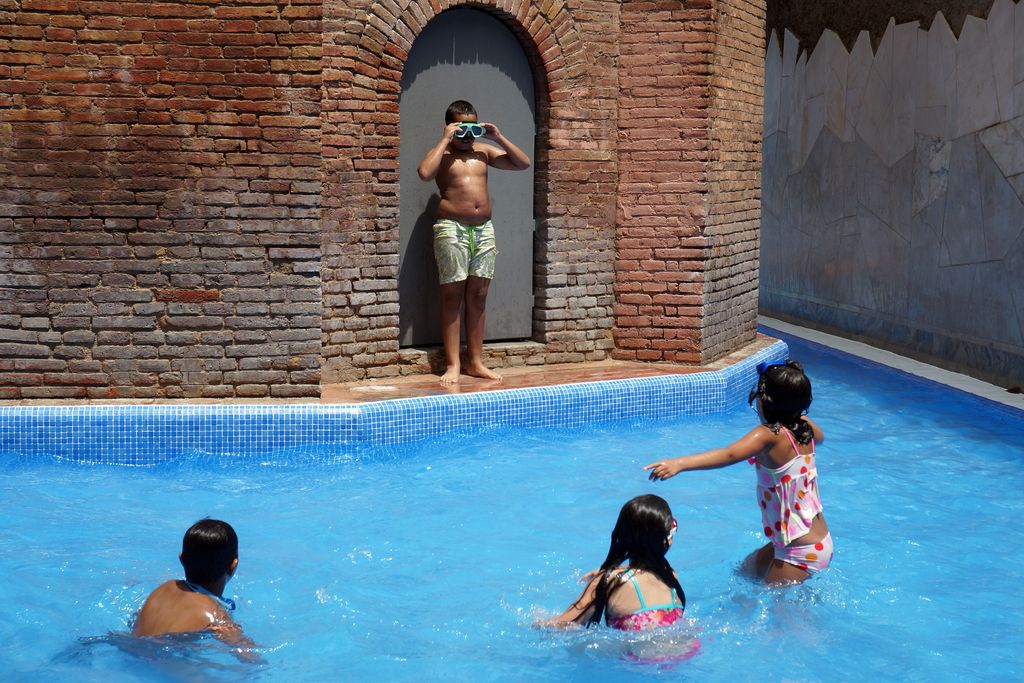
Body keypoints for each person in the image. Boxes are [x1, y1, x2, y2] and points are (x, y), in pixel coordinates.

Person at [645, 360, 833, 584]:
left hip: (799, 552)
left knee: (777, 612)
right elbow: (820, 438)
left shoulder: (768, 435)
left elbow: (729, 454)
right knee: (747, 571)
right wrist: (797, 415)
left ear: (764, 402)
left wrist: (680, 463)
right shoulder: (805, 427)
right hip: (812, 540)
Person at [416, 99, 531, 385]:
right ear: (451, 128)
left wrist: (498, 136)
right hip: (451, 228)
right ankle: (454, 364)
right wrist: (444, 140)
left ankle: (476, 362)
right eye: (460, 129)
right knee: (452, 296)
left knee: (479, 295)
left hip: (483, 230)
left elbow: (523, 163)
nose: (467, 136)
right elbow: (424, 173)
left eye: (472, 128)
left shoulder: (484, 152)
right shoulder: (442, 155)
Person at [541, 494, 686, 630]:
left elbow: (564, 625)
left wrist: (537, 622)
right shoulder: (671, 577)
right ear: (664, 541)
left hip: (640, 656)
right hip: (687, 650)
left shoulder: (611, 582)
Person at [133, 519, 254, 650]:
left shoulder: (166, 587)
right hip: (161, 660)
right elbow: (249, 656)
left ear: (181, 559)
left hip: (127, 645)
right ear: (233, 565)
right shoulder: (216, 615)